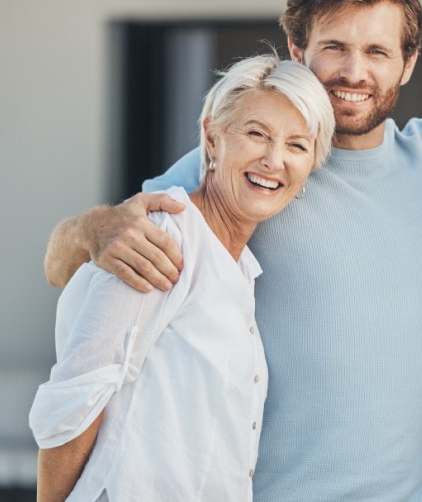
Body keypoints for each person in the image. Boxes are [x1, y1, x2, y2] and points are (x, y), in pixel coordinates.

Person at [41, 0, 422, 501]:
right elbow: (69, 270)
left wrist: (418, 395)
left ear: (408, 61)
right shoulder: (250, 170)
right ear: (298, 51)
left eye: (377, 51)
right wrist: (91, 228)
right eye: (335, 48)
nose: (355, 72)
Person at [30, 53, 335, 501]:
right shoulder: (166, 235)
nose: (273, 159)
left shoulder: (240, 268)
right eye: (256, 134)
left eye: (296, 145)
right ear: (213, 138)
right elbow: (74, 403)